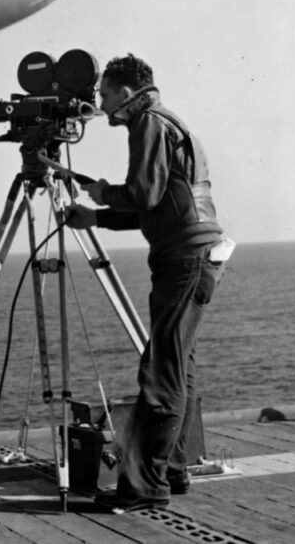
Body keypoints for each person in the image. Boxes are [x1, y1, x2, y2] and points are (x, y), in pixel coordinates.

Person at [65, 54, 232, 512]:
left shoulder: (148, 124)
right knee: (179, 367)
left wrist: (102, 194)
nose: (100, 105)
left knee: (161, 370)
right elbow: (156, 204)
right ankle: (172, 471)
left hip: (183, 260)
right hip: (195, 256)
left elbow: (142, 195)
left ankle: (146, 486)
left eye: (104, 95)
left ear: (125, 92)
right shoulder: (167, 122)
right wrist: (97, 216)